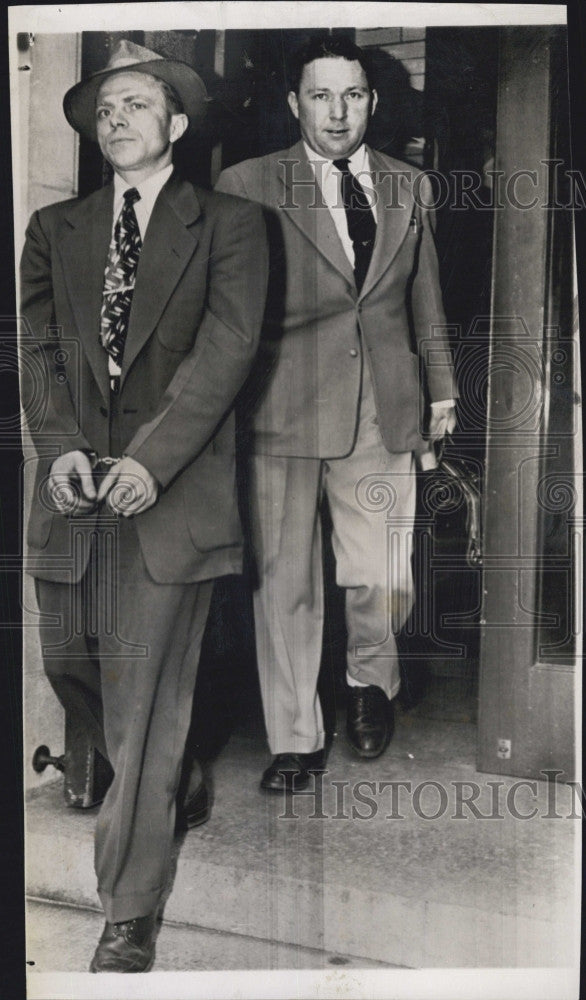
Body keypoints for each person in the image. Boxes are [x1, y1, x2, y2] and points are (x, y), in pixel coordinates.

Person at [20, 40, 268, 972]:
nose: (115, 119)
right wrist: (64, 448)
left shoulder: (235, 225)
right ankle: (174, 774)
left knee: (148, 705)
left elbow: (228, 351)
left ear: (177, 122)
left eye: (135, 103)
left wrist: (151, 461)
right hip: (71, 495)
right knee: (71, 665)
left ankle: (129, 908)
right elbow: (38, 351)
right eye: (104, 109)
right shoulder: (58, 229)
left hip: (175, 496)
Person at [216, 36, 456, 792]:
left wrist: (441, 388)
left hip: (386, 404)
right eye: (320, 95)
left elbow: (425, 298)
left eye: (351, 95)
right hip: (279, 409)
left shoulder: (410, 186)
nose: (337, 111)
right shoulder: (247, 184)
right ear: (295, 104)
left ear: (372, 102)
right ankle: (293, 735)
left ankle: (367, 686)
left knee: (378, 569)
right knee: (284, 578)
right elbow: (230, 310)